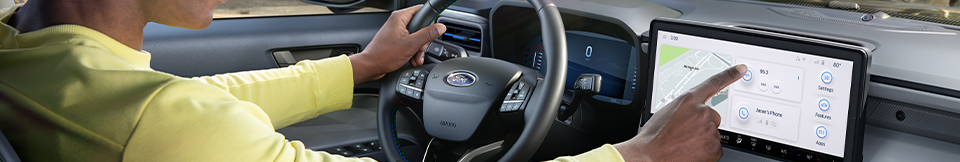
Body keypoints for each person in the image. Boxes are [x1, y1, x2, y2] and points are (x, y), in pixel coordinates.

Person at [0, 0, 745, 161]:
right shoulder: (159, 121)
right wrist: (636, 156)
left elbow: (200, 105)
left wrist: (361, 69)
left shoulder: (32, 58)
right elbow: (182, 117)